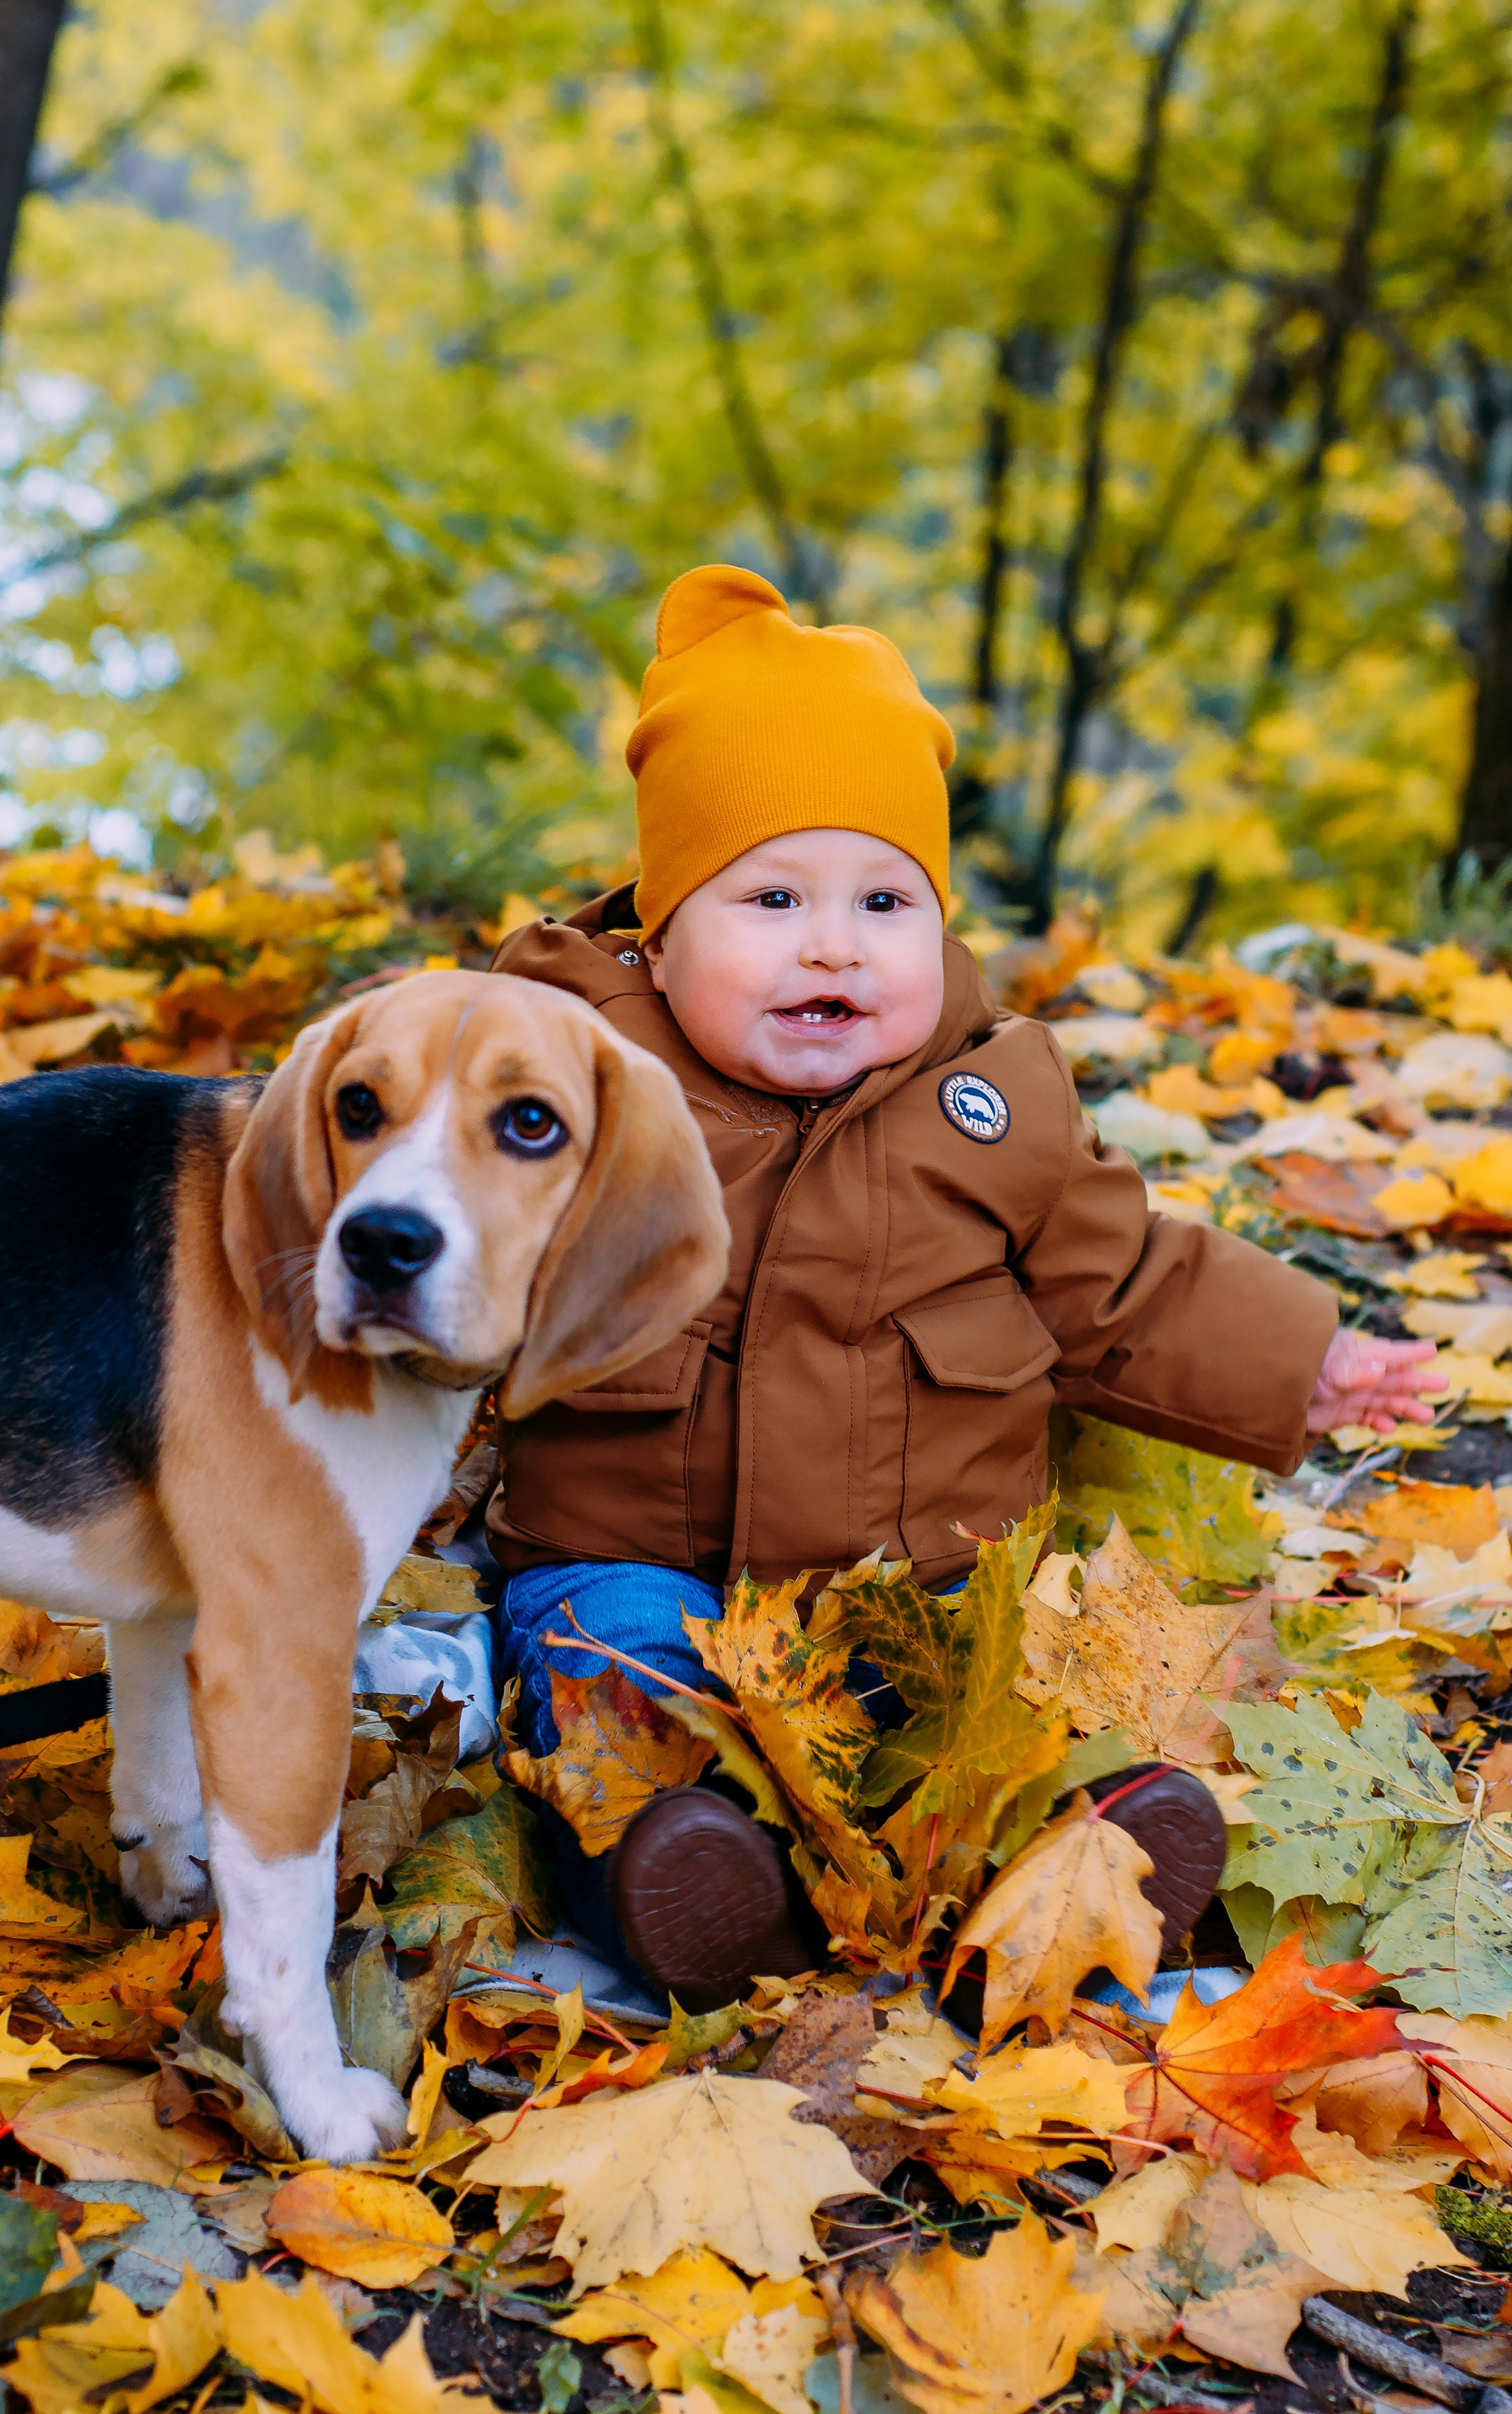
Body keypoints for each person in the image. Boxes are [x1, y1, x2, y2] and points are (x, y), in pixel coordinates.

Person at [487, 561, 1439, 2009]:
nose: (833, 941)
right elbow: (430, 1236)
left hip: (917, 1593)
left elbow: (1122, 1280)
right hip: (646, 1572)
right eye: (770, 897)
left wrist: (1297, 1359)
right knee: (603, 1699)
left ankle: (1088, 1856)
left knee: (1006, 1718)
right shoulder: (568, 1080)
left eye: (885, 898)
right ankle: (683, 1874)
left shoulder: (994, 1102)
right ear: (659, 931)